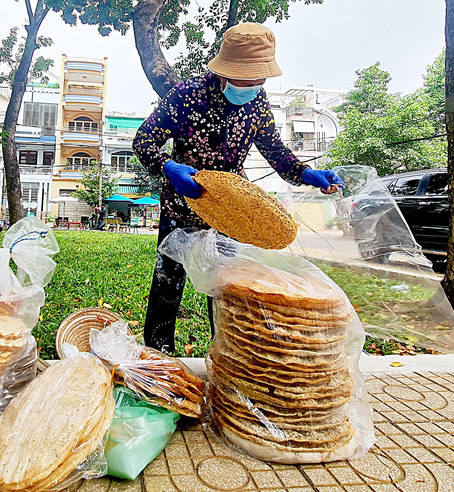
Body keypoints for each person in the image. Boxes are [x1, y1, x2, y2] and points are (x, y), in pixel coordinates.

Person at [133, 23, 344, 353]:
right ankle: (159, 357)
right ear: (224, 70)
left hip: (233, 212)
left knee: (229, 289)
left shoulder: (258, 102)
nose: (251, 86)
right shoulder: (185, 95)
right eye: (244, 80)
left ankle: (229, 356)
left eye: (258, 80)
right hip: (181, 206)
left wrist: (307, 174)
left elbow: (275, 152)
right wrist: (169, 167)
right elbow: (144, 141)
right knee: (168, 284)